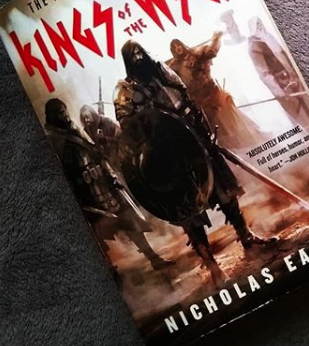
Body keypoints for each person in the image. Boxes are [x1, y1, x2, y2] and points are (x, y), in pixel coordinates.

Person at [114, 40, 272, 287]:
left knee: (224, 191)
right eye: (133, 56)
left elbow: (187, 99)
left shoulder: (162, 71)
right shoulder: (125, 91)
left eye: (140, 52)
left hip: (194, 138)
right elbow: (130, 130)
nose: (139, 58)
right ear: (127, 61)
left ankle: (246, 237)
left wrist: (204, 129)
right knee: (188, 212)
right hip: (167, 156)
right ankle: (212, 266)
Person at [44, 98, 172, 270]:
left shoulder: (75, 130)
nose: (65, 116)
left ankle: (154, 258)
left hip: (103, 185)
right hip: (84, 195)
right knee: (96, 236)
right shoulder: (53, 142)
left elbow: (97, 155)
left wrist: (111, 175)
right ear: (52, 116)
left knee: (129, 220)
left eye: (64, 111)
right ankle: (110, 272)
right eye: (60, 113)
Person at [168, 32, 261, 148]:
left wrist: (216, 39)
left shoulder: (195, 53)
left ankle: (244, 142)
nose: (178, 48)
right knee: (214, 127)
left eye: (178, 45)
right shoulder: (173, 66)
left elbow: (211, 51)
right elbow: (169, 78)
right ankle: (228, 147)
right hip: (199, 101)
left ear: (182, 45)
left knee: (229, 120)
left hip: (213, 93)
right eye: (175, 47)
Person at [248, 17, 309, 134]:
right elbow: (263, 73)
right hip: (281, 84)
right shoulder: (254, 47)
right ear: (252, 28)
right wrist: (278, 91)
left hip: (292, 76)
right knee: (298, 111)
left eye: (260, 22)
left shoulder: (268, 38)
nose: (260, 26)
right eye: (257, 24)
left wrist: (295, 72)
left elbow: (283, 55)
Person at [80, 104, 120, 169]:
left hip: (116, 156)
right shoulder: (87, 130)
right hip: (105, 162)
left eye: (87, 117)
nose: (86, 120)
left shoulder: (107, 122)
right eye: (84, 118)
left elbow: (119, 137)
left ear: (92, 114)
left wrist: (106, 139)